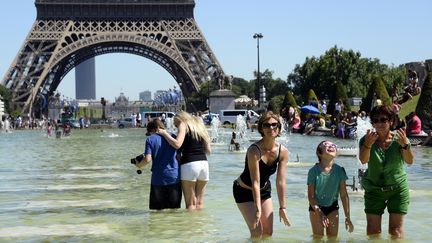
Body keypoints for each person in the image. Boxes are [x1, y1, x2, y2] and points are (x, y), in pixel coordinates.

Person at [232, 111, 291, 239]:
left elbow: (281, 182)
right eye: (266, 125)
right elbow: (255, 182)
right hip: (244, 190)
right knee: (257, 231)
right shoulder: (254, 150)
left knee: (268, 232)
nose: (271, 128)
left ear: (279, 128)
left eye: (274, 125)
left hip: (263, 190)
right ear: (261, 129)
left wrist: (283, 208)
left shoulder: (283, 152)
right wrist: (258, 209)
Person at [359, 105, 414, 238]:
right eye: (375, 120)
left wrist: (405, 145)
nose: (379, 123)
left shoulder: (399, 139)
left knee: (395, 231)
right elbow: (363, 160)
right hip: (373, 189)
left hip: (398, 189)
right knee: (373, 231)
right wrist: (367, 145)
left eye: (383, 119)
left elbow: (409, 161)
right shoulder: (366, 140)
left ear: (391, 121)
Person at [158, 111, 211, 210]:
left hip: (189, 164)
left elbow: (177, 144)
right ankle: (199, 224)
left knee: (190, 204)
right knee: (199, 203)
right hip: (204, 164)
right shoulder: (199, 124)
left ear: (180, 119)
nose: (177, 126)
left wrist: (165, 134)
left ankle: (190, 225)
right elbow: (208, 150)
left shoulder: (183, 123)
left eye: (176, 124)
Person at [307, 140, 354, 239]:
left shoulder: (340, 170)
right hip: (316, 207)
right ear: (320, 153)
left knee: (333, 238)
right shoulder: (313, 171)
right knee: (318, 238)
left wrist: (347, 217)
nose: (331, 145)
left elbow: (344, 195)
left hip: (332, 207)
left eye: (333, 145)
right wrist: (319, 212)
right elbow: (311, 196)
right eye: (326, 145)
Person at [134, 119, 182, 210]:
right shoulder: (173, 137)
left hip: (158, 178)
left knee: (158, 211)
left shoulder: (150, 139)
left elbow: (147, 159)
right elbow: (179, 158)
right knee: (174, 210)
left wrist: (138, 165)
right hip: (174, 177)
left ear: (152, 130)